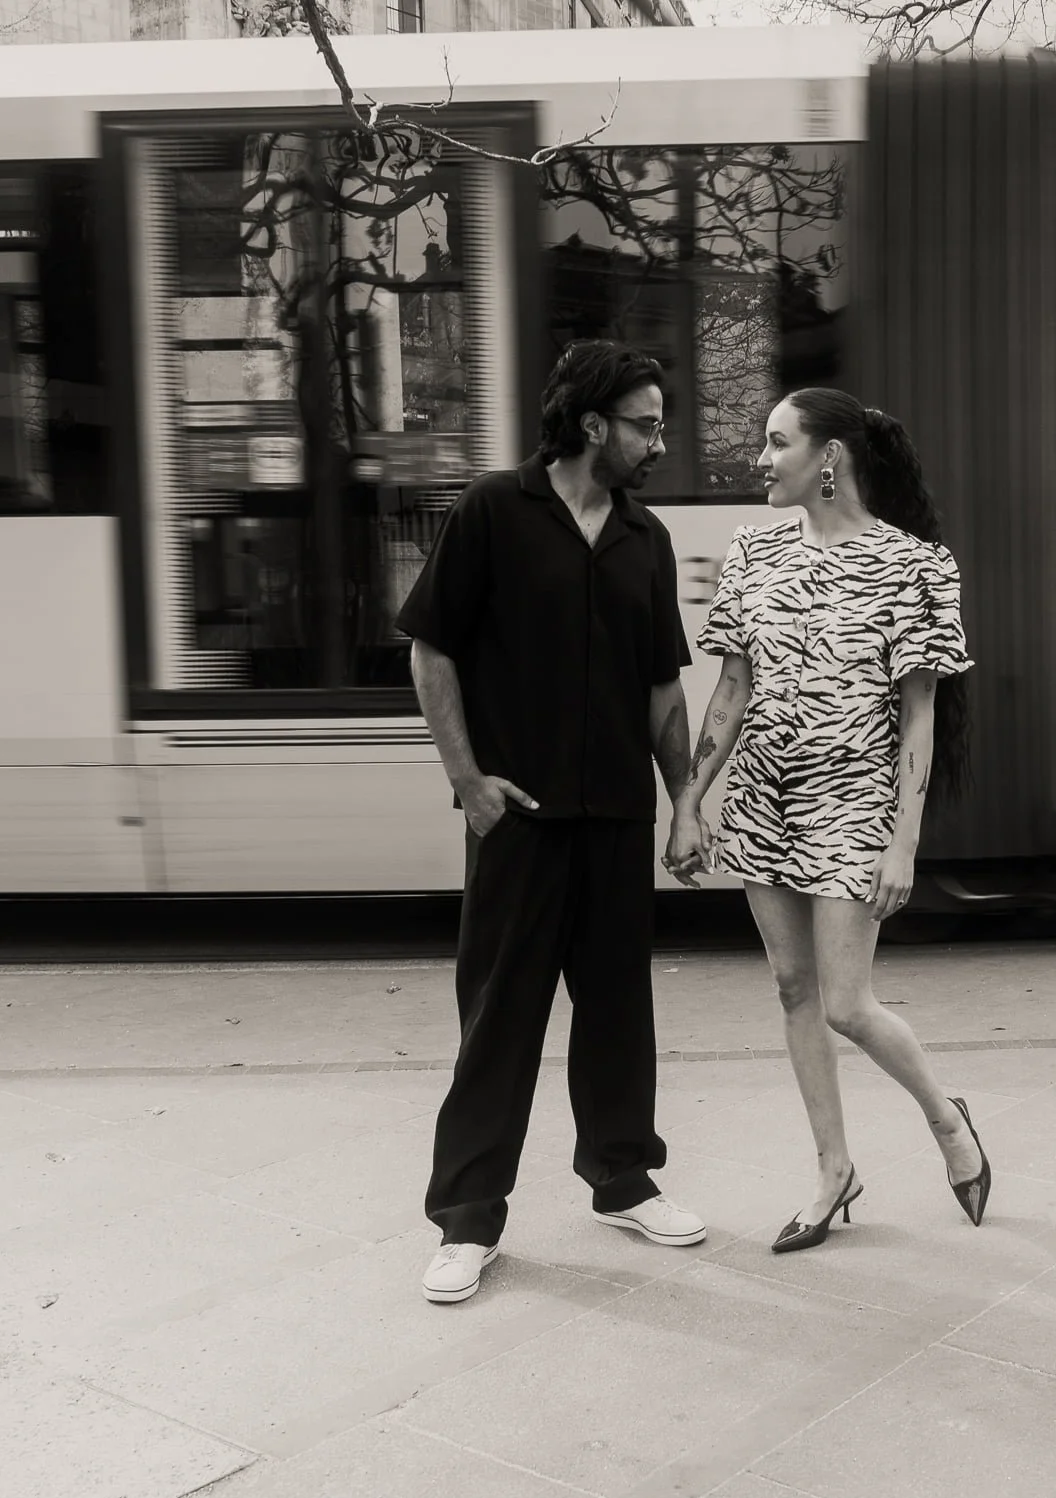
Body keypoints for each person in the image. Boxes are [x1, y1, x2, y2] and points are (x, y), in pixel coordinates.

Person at [398, 340, 705, 1305]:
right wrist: (470, 780)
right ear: (591, 425)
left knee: (620, 1013)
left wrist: (683, 802)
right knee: (500, 1020)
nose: (660, 440)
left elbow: (663, 689)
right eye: (646, 423)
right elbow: (431, 651)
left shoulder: (644, 538)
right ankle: (467, 1221)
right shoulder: (495, 510)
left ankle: (622, 1180)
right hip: (518, 821)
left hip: (614, 816)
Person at [666, 388, 991, 1253]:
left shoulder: (918, 566)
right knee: (792, 990)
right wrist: (690, 802)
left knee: (847, 1004)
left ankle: (944, 1117)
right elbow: (731, 689)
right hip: (763, 799)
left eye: (777, 443)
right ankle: (832, 1170)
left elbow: (920, 715)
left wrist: (904, 842)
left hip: (853, 803)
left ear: (830, 459)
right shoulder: (751, 551)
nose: (761, 460)